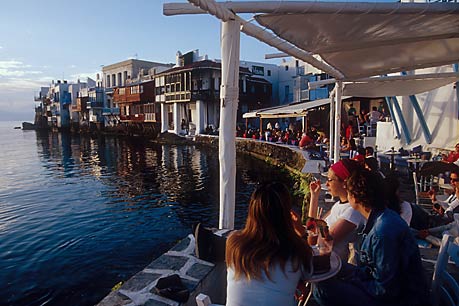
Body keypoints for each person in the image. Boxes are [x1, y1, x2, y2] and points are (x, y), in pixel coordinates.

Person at [314, 169, 429, 306]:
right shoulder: (384, 217)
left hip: (400, 299)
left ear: (355, 197)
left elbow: (384, 290)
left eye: (349, 191)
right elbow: (374, 272)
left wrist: (350, 278)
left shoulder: (382, 233)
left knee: (322, 289)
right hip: (400, 292)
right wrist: (341, 268)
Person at [226, 182, 313, 306]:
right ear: (286, 213)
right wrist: (302, 233)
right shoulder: (298, 250)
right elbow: (308, 274)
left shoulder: (234, 244)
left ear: (252, 212)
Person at [299, 159, 365, 262]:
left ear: (344, 183)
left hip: (331, 265)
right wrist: (314, 197)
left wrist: (304, 228)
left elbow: (319, 239)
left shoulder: (352, 212)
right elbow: (314, 227)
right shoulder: (338, 205)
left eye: (330, 180)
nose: (327, 184)